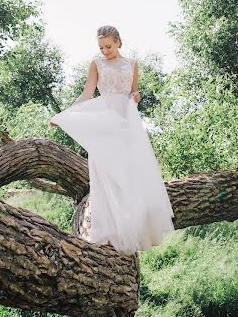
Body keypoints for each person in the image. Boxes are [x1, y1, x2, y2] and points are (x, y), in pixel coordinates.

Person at [49, 25, 175, 254]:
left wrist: (137, 97)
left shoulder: (132, 64)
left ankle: (135, 229)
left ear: (118, 42)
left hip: (126, 124)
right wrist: (64, 115)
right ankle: (107, 233)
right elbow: (87, 95)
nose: (105, 51)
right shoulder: (96, 64)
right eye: (101, 47)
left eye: (108, 46)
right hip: (103, 124)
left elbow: (133, 94)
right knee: (104, 177)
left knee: (128, 176)